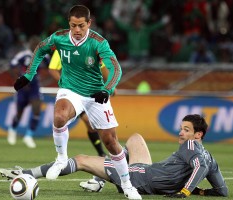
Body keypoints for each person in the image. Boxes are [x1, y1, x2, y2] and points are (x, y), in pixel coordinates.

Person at [12, 5, 141, 199]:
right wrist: (29, 74)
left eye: (81, 25)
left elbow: (116, 69)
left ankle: (127, 185)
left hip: (95, 94)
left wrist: (107, 89)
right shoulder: (59, 37)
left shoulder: (99, 42)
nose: (77, 30)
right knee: (59, 116)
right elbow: (39, 48)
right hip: (70, 90)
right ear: (69, 24)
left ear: (89, 23)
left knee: (111, 142)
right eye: (73, 25)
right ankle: (61, 159)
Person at [0, 114, 229, 198]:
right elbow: (222, 191)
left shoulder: (191, 146)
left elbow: (198, 167)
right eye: (182, 128)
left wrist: (185, 192)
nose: (181, 133)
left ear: (198, 135)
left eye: (186, 130)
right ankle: (100, 179)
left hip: (139, 178)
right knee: (136, 138)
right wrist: (201, 191)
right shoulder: (210, 157)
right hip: (149, 173)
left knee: (80, 159)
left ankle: (24, 174)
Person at [48, 50, 109, 157]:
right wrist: (64, 83)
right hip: (73, 94)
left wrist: (110, 85)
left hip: (91, 92)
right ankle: (62, 156)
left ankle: (105, 153)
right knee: (87, 122)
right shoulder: (62, 47)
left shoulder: (92, 46)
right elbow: (52, 69)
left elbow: (102, 66)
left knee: (97, 125)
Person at [7, 35, 46, 149]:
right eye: (34, 45)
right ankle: (12, 129)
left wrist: (43, 80)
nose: (36, 47)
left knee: (37, 110)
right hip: (23, 88)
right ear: (30, 45)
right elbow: (11, 66)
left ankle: (29, 135)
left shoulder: (44, 55)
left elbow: (51, 68)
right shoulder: (23, 55)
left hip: (35, 87)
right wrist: (18, 80)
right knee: (19, 113)